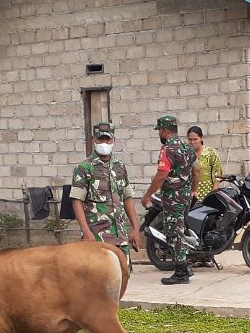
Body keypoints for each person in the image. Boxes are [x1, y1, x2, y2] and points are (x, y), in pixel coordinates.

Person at [69, 122, 142, 257]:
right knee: (98, 277)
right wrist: (86, 232)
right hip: (96, 238)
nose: (104, 143)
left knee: (123, 275)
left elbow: (127, 198)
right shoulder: (84, 168)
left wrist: (136, 229)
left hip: (121, 237)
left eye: (107, 139)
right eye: (100, 139)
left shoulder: (119, 166)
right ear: (93, 140)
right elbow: (77, 201)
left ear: (113, 140)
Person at [141, 114, 197, 285]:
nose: (159, 134)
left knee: (174, 233)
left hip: (173, 198)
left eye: (159, 131)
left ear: (164, 131)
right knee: (179, 231)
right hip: (185, 197)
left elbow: (162, 174)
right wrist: (193, 189)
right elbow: (197, 170)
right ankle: (185, 266)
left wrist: (148, 194)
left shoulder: (168, 149)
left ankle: (181, 273)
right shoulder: (188, 148)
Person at [188, 125, 223, 200]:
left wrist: (213, 193)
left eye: (195, 139)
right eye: (190, 139)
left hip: (207, 193)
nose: (192, 142)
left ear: (201, 138)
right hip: (190, 194)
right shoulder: (185, 154)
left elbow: (217, 174)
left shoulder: (210, 153)